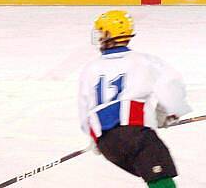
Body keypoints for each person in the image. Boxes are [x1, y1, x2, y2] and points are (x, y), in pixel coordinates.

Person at [79, 10, 191, 187]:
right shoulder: (143, 61)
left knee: (153, 170)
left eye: (100, 32)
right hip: (134, 134)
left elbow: (85, 108)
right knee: (160, 178)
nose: (99, 36)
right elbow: (172, 86)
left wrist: (95, 138)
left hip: (107, 144)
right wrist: (169, 113)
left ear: (109, 34)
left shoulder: (90, 69)